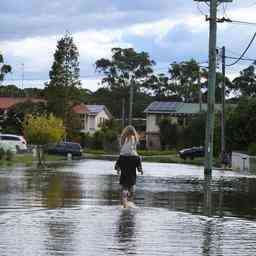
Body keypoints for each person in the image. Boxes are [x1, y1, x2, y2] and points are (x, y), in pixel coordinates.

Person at [114, 125, 143, 208]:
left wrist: (118, 168)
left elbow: (121, 153)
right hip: (133, 159)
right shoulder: (134, 138)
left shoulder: (123, 138)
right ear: (133, 132)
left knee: (124, 185)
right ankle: (129, 201)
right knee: (132, 186)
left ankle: (124, 197)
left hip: (123, 159)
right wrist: (140, 169)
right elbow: (135, 153)